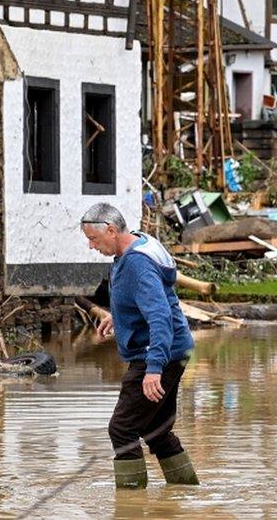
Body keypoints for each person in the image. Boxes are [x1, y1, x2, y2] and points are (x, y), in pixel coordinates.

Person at [80, 202, 198, 489]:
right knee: (156, 431)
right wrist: (118, 318)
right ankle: (185, 492)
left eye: (93, 239)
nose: (91, 246)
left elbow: (160, 318)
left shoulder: (137, 263)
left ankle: (130, 503)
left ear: (111, 230)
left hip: (158, 353)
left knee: (122, 429)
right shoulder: (133, 246)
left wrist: (154, 368)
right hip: (174, 350)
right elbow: (147, 301)